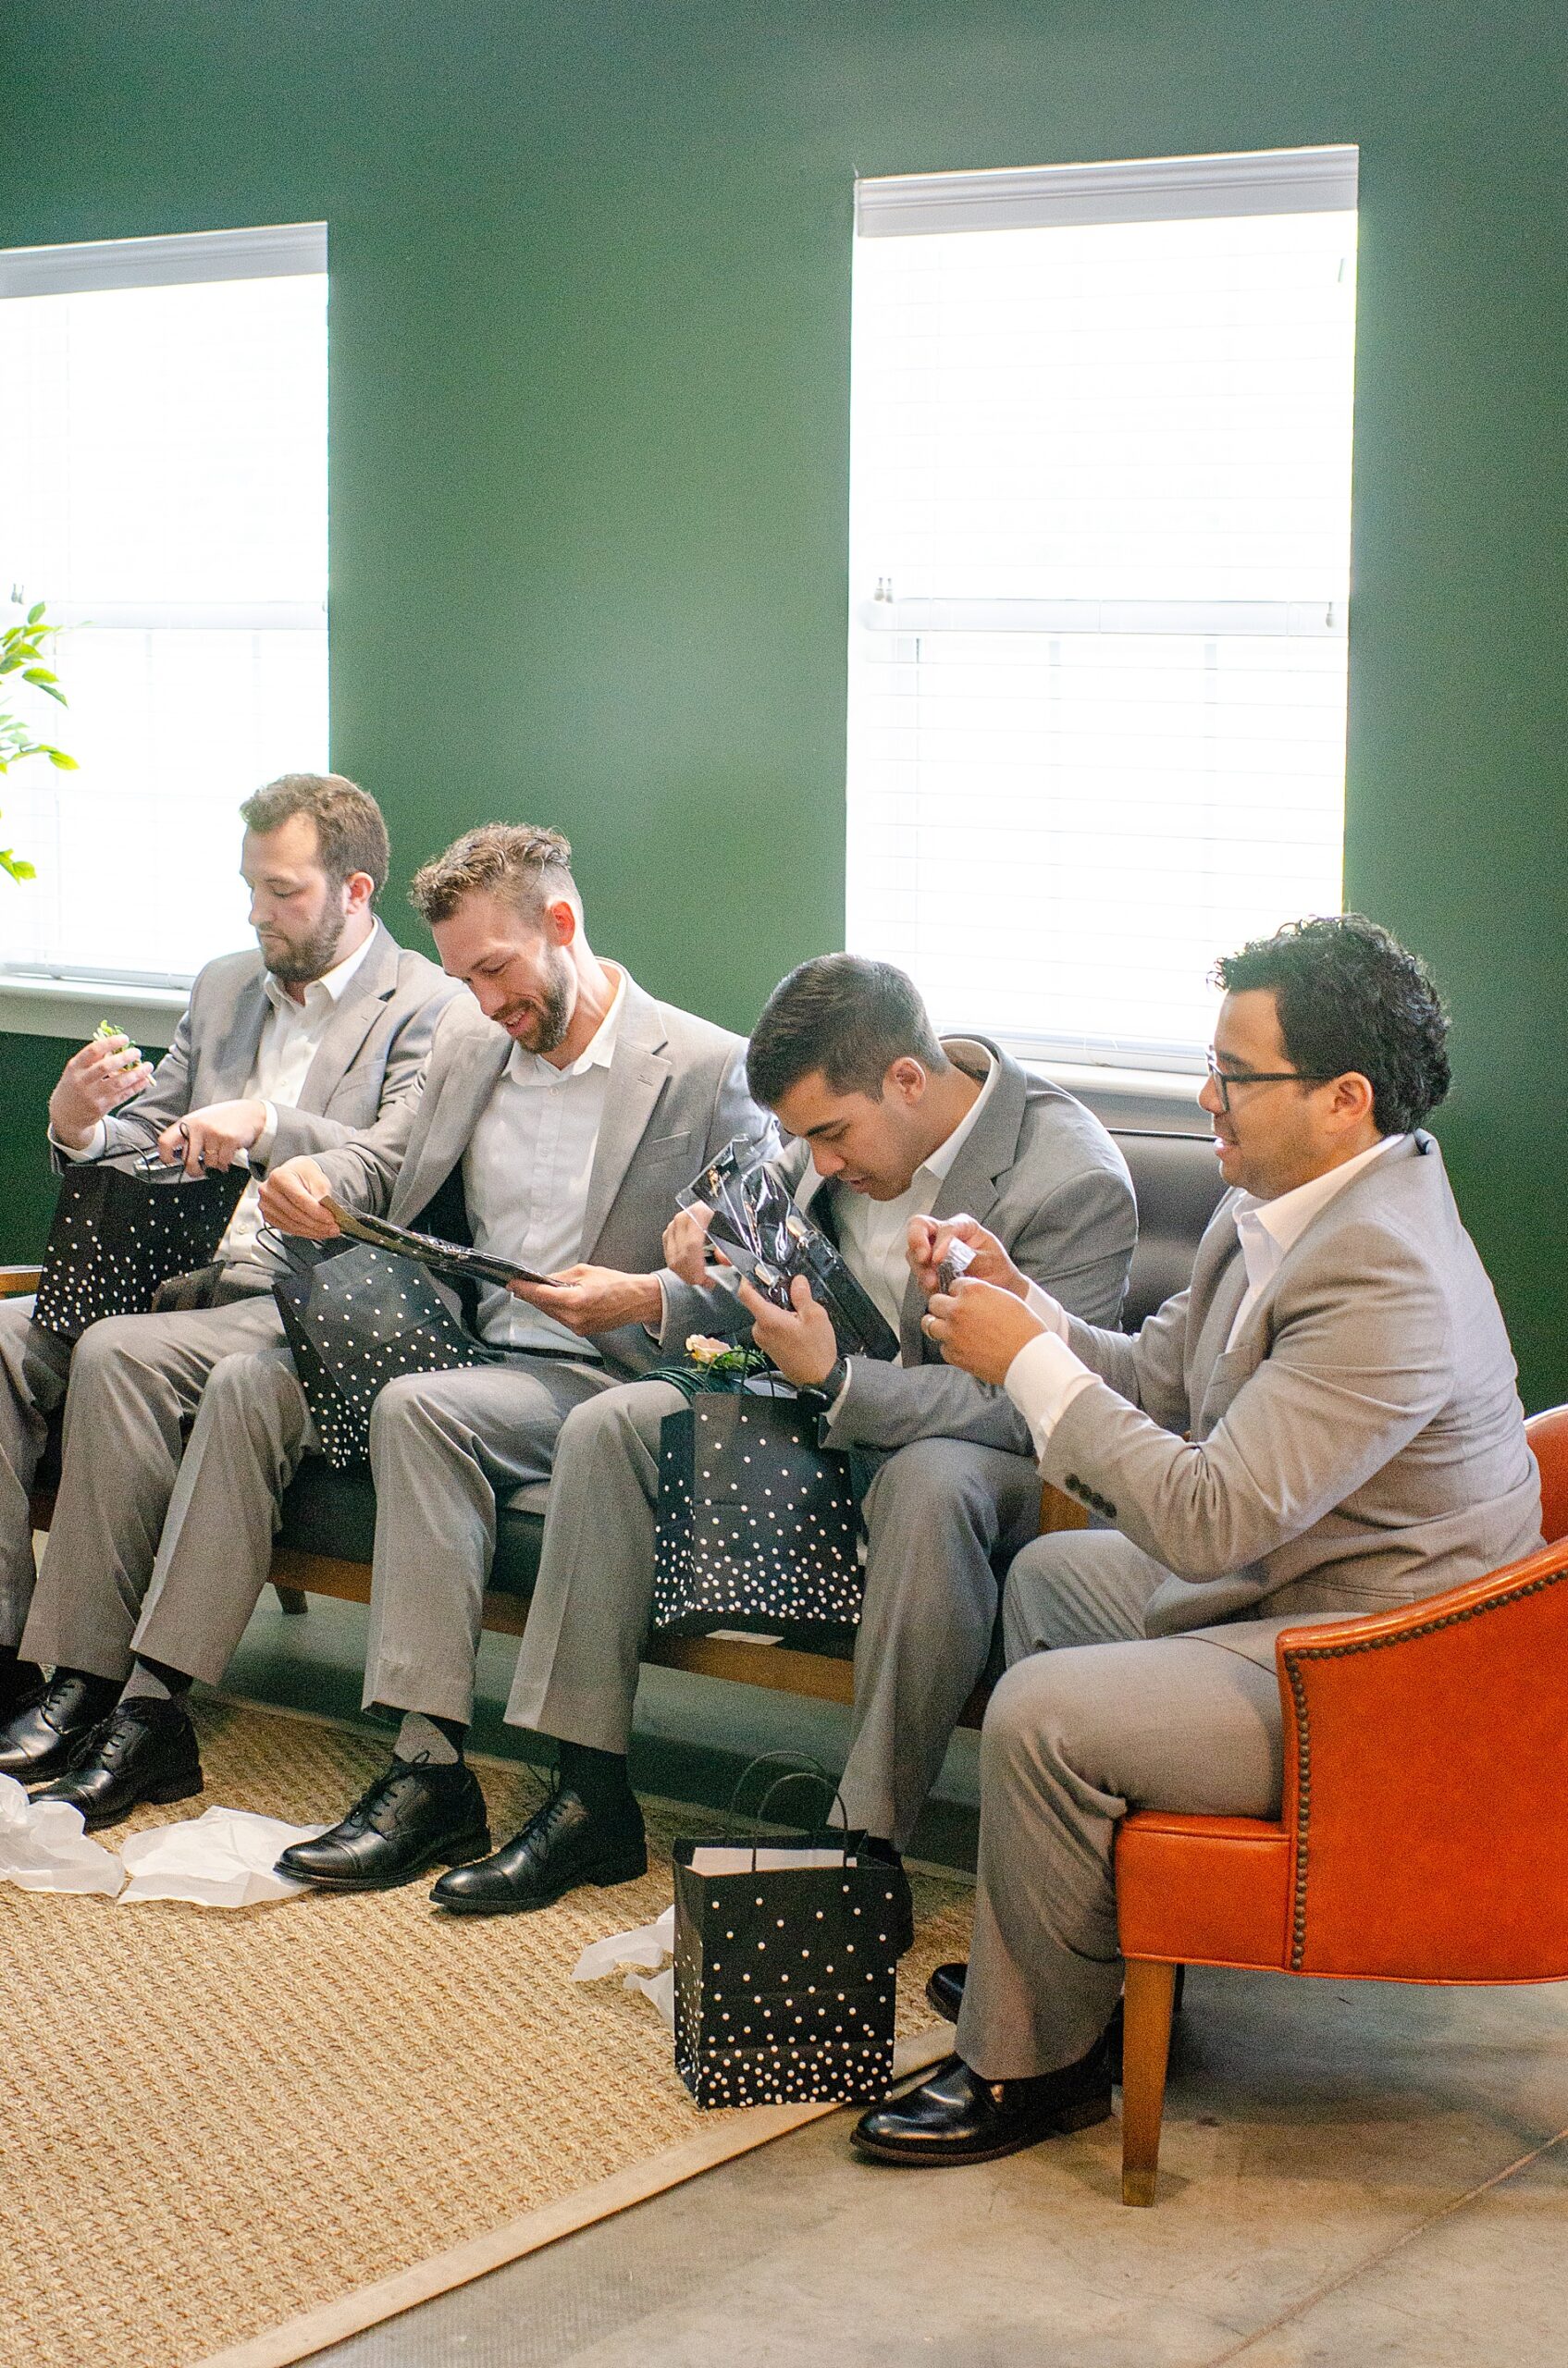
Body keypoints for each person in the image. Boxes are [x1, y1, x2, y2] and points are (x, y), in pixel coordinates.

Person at [851, 915, 1544, 2165]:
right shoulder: (1275, 1204)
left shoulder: (1381, 1271)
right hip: (1308, 1588)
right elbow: (1158, 1381)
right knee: (1056, 1579)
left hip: (1379, 1668)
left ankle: (1031, 2071)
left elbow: (1208, 1517)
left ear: (1343, 1098)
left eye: (1234, 1074)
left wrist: (1026, 1373)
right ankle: (1086, 1979)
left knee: (1047, 1712)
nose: (1203, 1094)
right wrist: (1028, 1309)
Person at [29, 821, 766, 1845]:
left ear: (563, 922)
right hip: (455, 1341)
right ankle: (154, 1708)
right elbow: (383, 1159)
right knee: (249, 1380)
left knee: (422, 1408)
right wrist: (322, 1178)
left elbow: (760, 1288)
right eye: (465, 978)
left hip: (599, 1371)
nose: (488, 1002)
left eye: (499, 970)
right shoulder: (474, 1041)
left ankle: (429, 1769)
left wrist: (643, 1296)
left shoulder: (707, 1068)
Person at [427, 952, 1138, 1918]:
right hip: (823, 1411)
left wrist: (839, 1380)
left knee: (933, 1484)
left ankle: (867, 1843)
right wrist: (699, 1278)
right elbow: (779, 1288)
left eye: (833, 1136)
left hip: (979, 1457)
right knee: (613, 1427)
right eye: (807, 1140)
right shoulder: (822, 1135)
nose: (823, 1162)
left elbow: (1040, 1405)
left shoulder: (1072, 1178)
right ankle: (587, 1793)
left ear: (907, 1079)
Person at [0, 771, 455, 1757]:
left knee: (120, 1352)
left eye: (282, 889)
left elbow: (396, 1165)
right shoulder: (220, 985)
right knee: (1, 1336)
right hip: (169, 1269)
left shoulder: (429, 1007)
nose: (257, 912)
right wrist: (80, 1125)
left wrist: (269, 1125)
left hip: (300, 1295)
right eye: (250, 885)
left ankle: (90, 1676)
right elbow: (150, 1138)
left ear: (355, 890)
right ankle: (6, 1656)